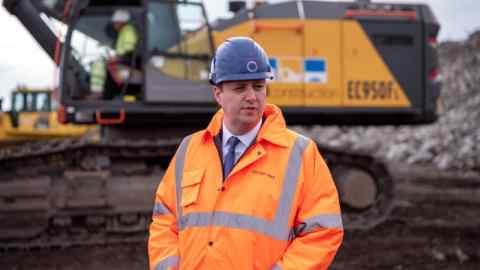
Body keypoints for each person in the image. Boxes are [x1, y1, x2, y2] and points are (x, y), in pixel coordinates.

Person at [148, 37, 343, 270]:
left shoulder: (300, 154)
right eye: (240, 88)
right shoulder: (189, 149)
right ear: (218, 93)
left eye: (258, 86)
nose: (252, 96)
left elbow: (323, 232)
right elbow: (164, 220)